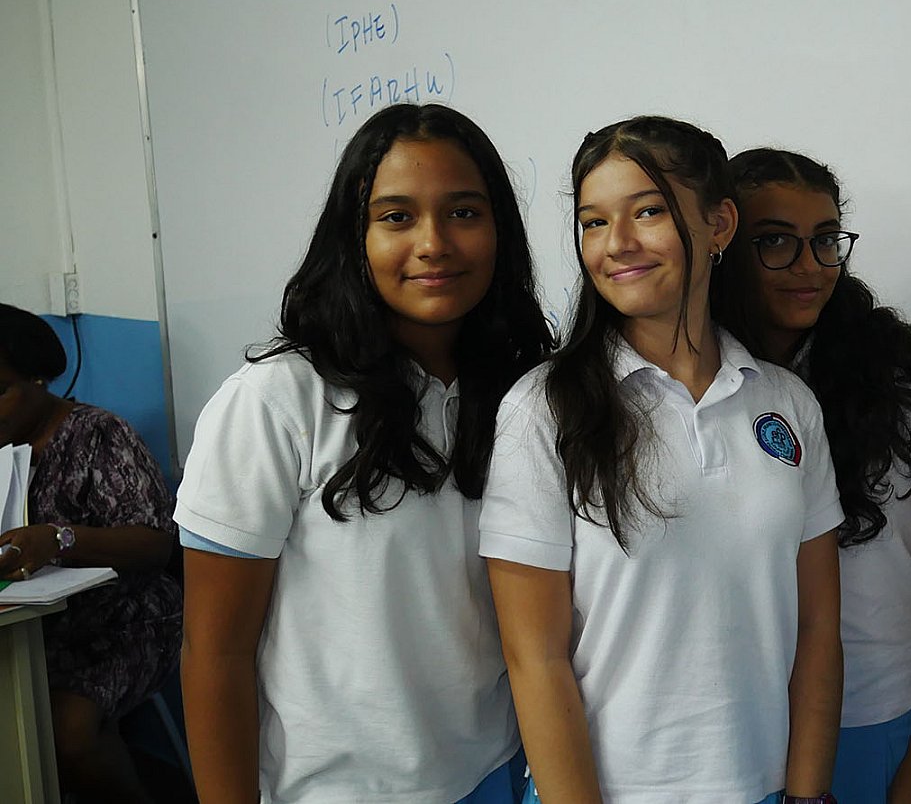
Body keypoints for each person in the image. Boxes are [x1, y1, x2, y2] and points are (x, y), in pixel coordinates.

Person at [174, 103, 554, 804]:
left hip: (496, 772)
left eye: (464, 213)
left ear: (501, 229)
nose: (434, 243)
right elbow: (215, 652)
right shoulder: (277, 400)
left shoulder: (524, 395)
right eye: (397, 217)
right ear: (353, 236)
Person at [480, 116, 844, 803]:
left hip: (765, 786)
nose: (617, 243)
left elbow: (819, 628)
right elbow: (535, 658)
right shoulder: (543, 408)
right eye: (593, 222)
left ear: (719, 224)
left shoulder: (787, 402)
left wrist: (806, 794)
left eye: (647, 211)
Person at [713, 148, 911, 803]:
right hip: (742, 727)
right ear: (721, 245)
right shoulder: (696, 388)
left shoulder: (905, 386)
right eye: (775, 242)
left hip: (877, 714)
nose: (810, 266)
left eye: (825, 240)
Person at [0, 303, 181, 804]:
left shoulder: (99, 434)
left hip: (121, 621)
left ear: (38, 378)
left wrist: (58, 538)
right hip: (27, 628)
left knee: (67, 734)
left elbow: (156, 543)